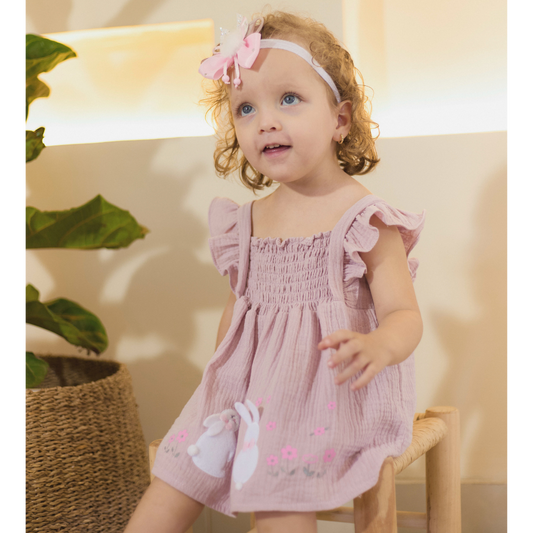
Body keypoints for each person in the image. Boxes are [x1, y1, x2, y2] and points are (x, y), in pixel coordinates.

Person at [125, 9, 425, 533]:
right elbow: (237, 315)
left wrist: (379, 346)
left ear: (340, 119)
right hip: (243, 390)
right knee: (173, 481)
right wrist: (220, 388)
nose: (265, 121)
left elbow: (405, 314)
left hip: (328, 395)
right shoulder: (246, 223)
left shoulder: (363, 221)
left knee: (278, 500)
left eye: (289, 99)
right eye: (245, 108)